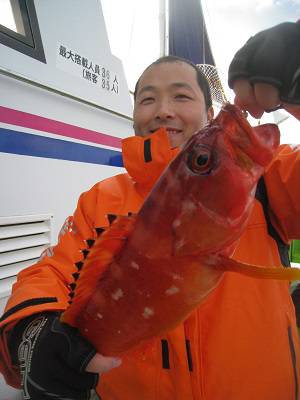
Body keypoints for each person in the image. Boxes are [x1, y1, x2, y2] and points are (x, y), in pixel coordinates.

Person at [0, 20, 300, 400]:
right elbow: (54, 270)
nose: (163, 110)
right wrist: (31, 328)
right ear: (134, 117)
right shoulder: (101, 199)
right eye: (146, 99)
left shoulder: (270, 183)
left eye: (181, 96)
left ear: (209, 112)